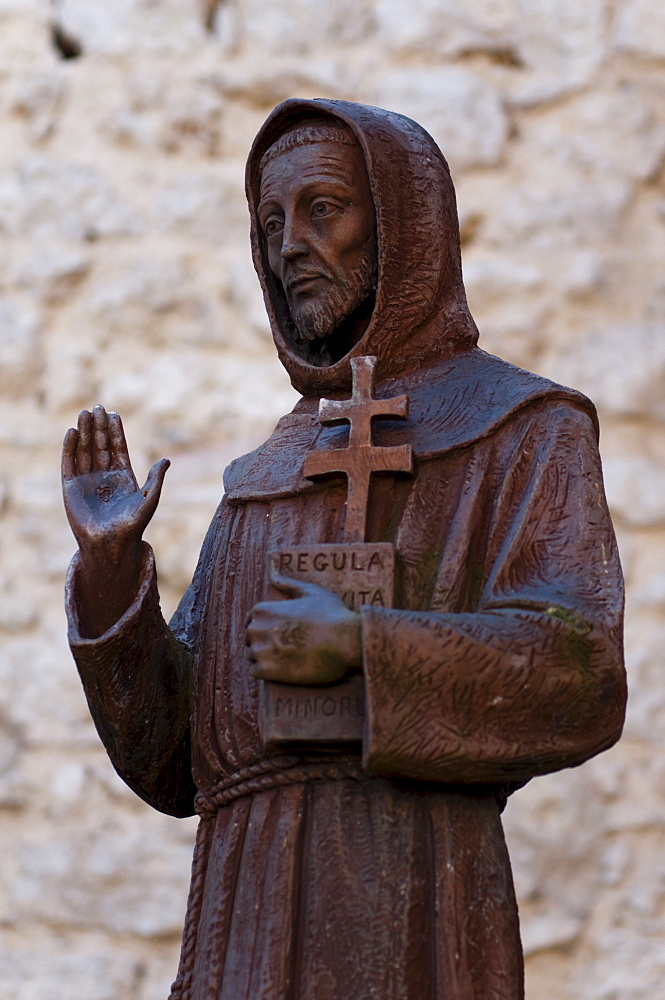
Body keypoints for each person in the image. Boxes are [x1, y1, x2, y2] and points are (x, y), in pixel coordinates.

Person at [63, 99, 626, 1000]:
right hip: (239, 914)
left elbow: (579, 673)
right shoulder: (268, 471)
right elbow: (175, 761)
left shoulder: (522, 429)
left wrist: (363, 653)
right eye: (272, 222)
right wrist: (111, 579)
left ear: (405, 226)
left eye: (324, 209)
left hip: (408, 891)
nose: (290, 246)